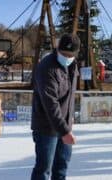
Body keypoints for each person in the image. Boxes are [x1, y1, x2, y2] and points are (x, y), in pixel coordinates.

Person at [31, 33, 80, 180]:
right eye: (63, 53)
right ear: (57, 49)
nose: (66, 57)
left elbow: (69, 96)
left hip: (64, 125)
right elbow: (50, 103)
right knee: (43, 169)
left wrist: (69, 118)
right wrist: (65, 131)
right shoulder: (46, 67)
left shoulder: (73, 66)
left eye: (70, 55)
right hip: (46, 127)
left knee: (61, 166)